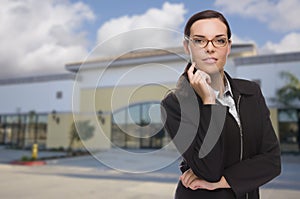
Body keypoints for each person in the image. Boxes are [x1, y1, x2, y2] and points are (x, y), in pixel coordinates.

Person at [160, 10, 281, 199]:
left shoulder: (251, 92)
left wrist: (224, 181)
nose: (210, 48)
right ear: (187, 46)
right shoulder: (175, 104)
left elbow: (272, 161)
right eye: (199, 40)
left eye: (219, 40)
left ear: (229, 46)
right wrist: (209, 102)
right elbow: (209, 169)